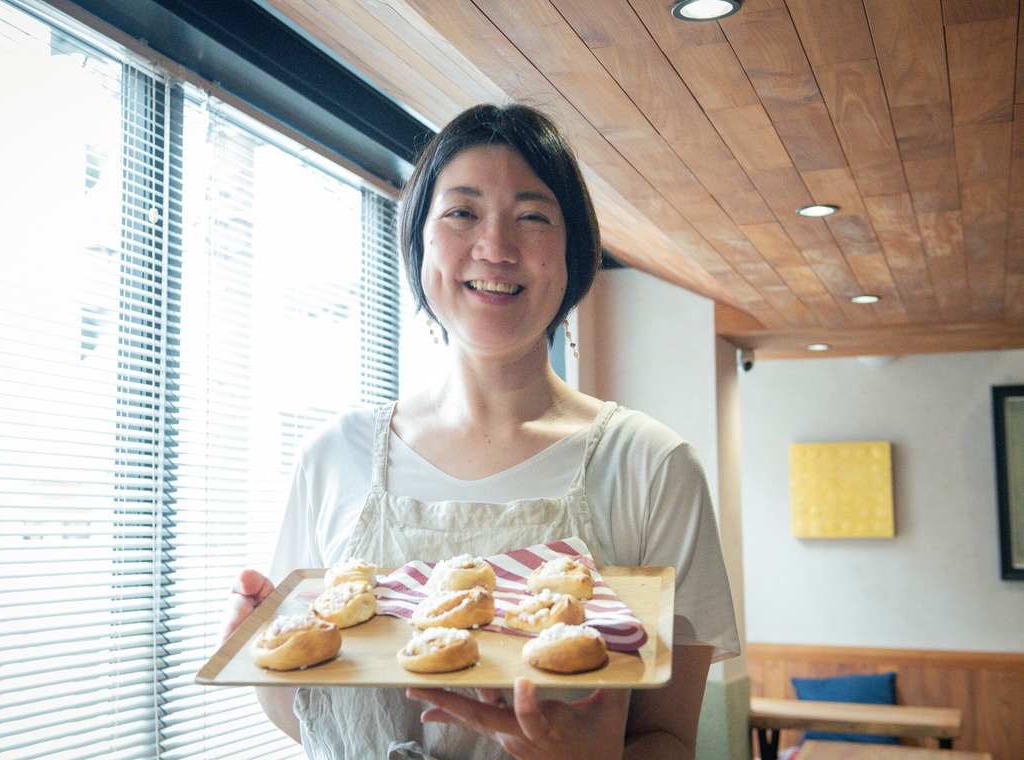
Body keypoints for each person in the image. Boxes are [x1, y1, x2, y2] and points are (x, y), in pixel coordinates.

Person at [224, 102, 740, 760]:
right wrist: (253, 645)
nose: (496, 248)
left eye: (532, 216)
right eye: (462, 212)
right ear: (418, 241)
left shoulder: (654, 467)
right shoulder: (333, 457)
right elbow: (317, 711)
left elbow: (671, 741)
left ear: (573, 251)